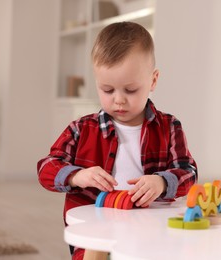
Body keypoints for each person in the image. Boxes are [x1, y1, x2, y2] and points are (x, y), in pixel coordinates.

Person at [37, 21, 198, 260]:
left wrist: (161, 183)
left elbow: (189, 171)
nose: (119, 100)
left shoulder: (169, 126)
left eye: (130, 90)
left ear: (153, 81)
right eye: (107, 90)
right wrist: (76, 175)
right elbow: (46, 167)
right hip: (96, 231)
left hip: (151, 231)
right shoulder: (82, 129)